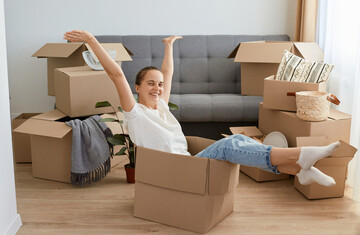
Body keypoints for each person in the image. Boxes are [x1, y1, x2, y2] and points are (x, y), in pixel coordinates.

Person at [64, 30, 340, 187]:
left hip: (188, 164)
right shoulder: (135, 113)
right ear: (137, 88)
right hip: (172, 171)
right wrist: (90, 39)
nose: (157, 88)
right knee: (232, 143)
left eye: (159, 85)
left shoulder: (161, 105)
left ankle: (298, 170)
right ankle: (304, 154)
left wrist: (168, 46)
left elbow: (167, 73)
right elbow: (115, 74)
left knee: (239, 143)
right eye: (150, 84)